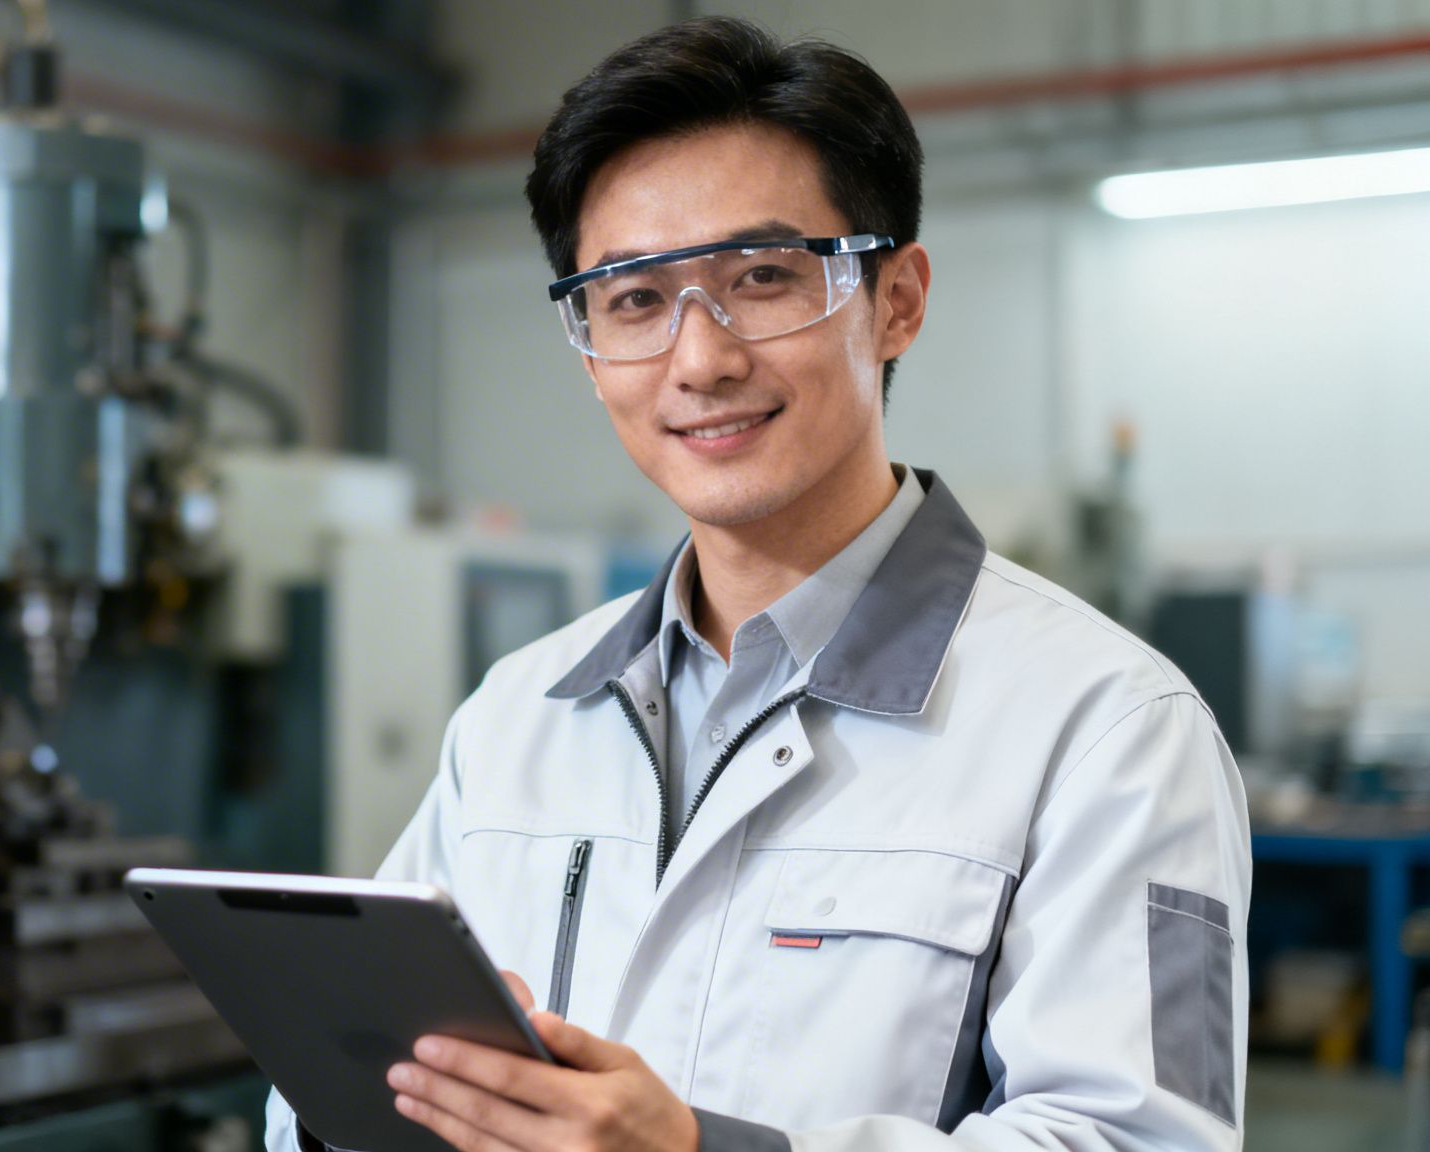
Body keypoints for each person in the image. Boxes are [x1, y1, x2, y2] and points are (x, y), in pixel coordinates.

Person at [266, 15, 1250, 1152]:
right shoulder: (513, 721)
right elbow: (333, 1091)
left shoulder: (1109, 731)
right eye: (633, 299)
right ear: (587, 350)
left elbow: (1139, 1142)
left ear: (896, 301)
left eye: (763, 276)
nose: (700, 359)